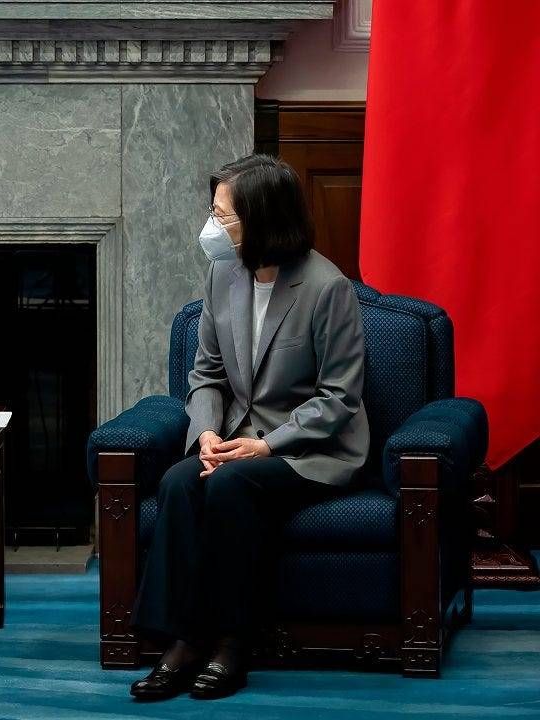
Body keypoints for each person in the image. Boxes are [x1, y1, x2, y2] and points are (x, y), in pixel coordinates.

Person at [129, 154, 369, 700]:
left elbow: (339, 398)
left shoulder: (327, 287)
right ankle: (180, 642)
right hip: (235, 438)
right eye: (213, 212)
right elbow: (207, 374)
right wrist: (206, 434)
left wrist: (266, 446)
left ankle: (232, 644)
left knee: (231, 485)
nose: (211, 227)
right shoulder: (223, 274)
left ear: (263, 219)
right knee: (178, 481)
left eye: (223, 216)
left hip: (310, 449)